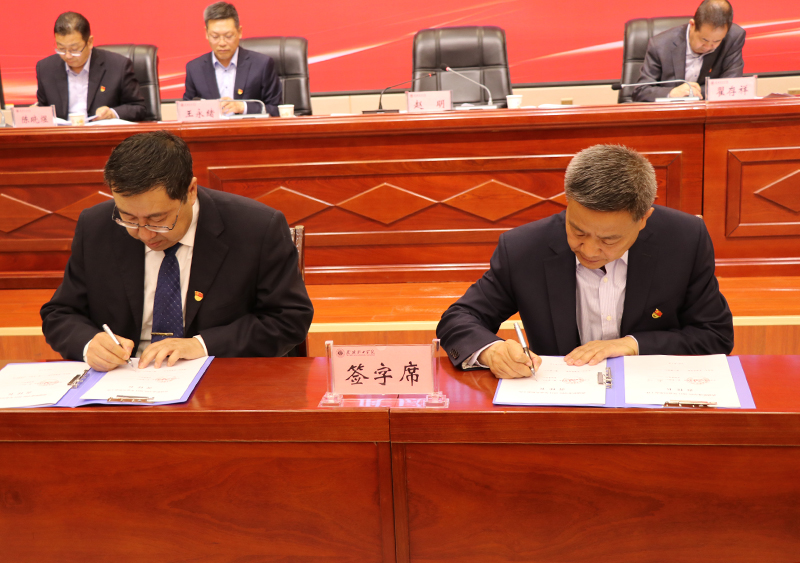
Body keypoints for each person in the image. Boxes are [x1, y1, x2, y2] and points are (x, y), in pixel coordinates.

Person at [436, 144, 733, 379]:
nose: (589, 250)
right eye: (578, 231)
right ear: (568, 202)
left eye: (609, 240)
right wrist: (492, 351)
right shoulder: (524, 248)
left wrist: (631, 344)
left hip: (654, 401)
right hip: (561, 403)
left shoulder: (683, 240)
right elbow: (458, 318)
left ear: (644, 219)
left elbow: (714, 335)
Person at [41, 131, 313, 371]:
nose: (144, 234)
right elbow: (60, 313)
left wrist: (201, 345)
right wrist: (89, 343)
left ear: (190, 191)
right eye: (129, 218)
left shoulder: (256, 228)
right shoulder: (96, 226)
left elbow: (289, 319)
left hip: (221, 378)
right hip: (123, 382)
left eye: (158, 219)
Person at [36, 12, 146, 121]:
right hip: (62, 132)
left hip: (101, 131)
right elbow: (43, 108)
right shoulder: (45, 68)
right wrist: (36, 112)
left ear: (89, 42)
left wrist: (112, 113)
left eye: (74, 49)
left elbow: (139, 108)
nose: (68, 55)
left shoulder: (118, 66)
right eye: (61, 49)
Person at [633, 0, 745, 102]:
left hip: (711, 111)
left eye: (717, 41)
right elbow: (641, 91)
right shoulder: (660, 45)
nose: (708, 47)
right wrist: (672, 93)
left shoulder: (733, 38)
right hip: (671, 112)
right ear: (692, 25)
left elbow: (731, 86)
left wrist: (691, 92)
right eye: (704, 40)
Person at [183, 2, 282, 117]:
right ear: (206, 33)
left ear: (239, 32)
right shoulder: (195, 69)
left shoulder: (262, 64)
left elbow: (277, 110)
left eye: (228, 36)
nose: (222, 43)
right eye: (215, 36)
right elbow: (186, 111)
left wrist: (243, 107)